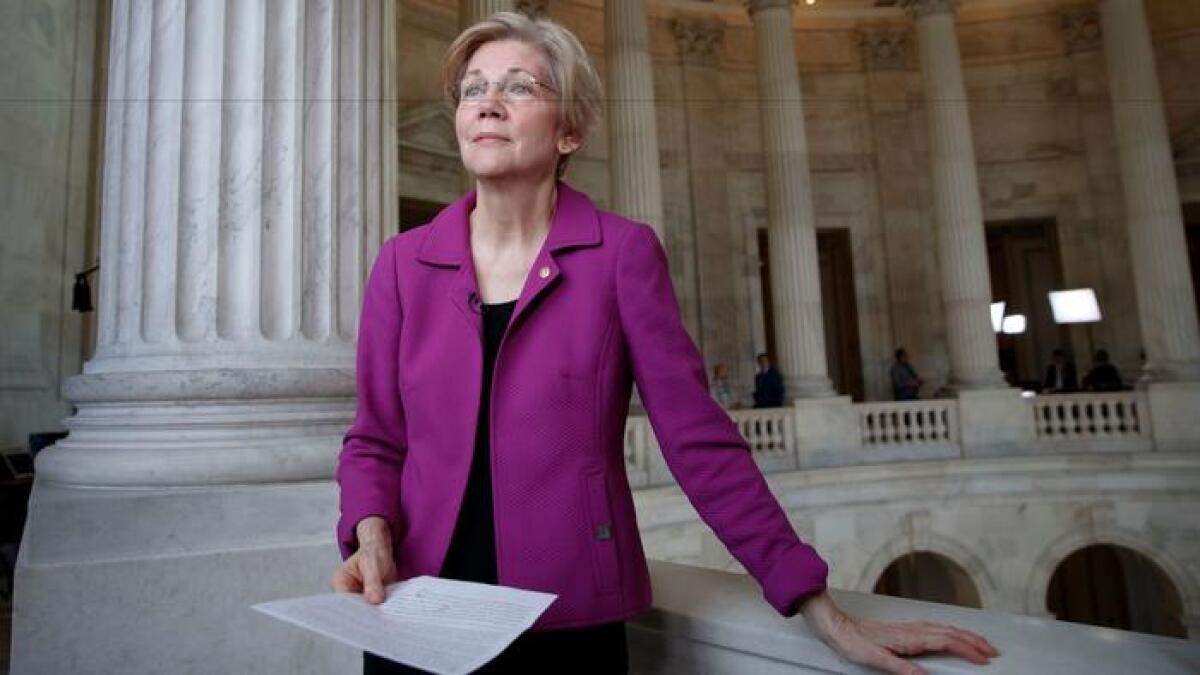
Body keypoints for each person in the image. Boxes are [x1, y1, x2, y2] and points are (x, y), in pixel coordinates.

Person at [332, 12, 996, 674]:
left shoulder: (620, 255)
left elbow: (698, 440)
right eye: (473, 90)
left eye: (520, 88)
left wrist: (817, 602)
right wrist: (369, 531)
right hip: (415, 613)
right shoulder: (402, 263)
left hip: (564, 623)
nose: (489, 104)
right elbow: (376, 438)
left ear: (570, 130)